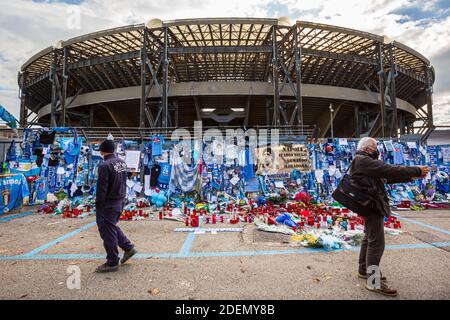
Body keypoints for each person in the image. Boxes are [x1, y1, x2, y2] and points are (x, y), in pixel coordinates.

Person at [351, 137, 429, 297]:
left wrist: (412, 176)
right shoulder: (363, 160)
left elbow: (387, 177)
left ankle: (364, 270)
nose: (377, 149)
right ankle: (373, 281)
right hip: (372, 206)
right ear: (367, 149)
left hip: (369, 204)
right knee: (376, 242)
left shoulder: (362, 161)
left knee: (369, 238)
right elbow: (389, 169)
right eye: (375, 147)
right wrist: (416, 170)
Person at [95, 139, 137, 273]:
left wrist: (99, 206)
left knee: (107, 231)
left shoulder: (104, 165)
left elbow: (102, 189)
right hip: (120, 201)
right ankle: (128, 247)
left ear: (102, 151)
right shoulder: (121, 162)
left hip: (108, 203)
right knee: (111, 227)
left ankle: (112, 261)